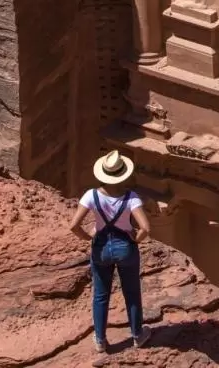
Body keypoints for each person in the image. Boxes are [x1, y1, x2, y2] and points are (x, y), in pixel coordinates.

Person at [69, 150, 153, 353]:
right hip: (126, 248)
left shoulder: (91, 195)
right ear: (123, 173)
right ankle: (137, 336)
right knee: (132, 293)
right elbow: (146, 228)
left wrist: (90, 238)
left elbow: (73, 226)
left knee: (100, 295)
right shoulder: (131, 198)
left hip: (101, 248)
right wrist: (135, 239)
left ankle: (100, 340)